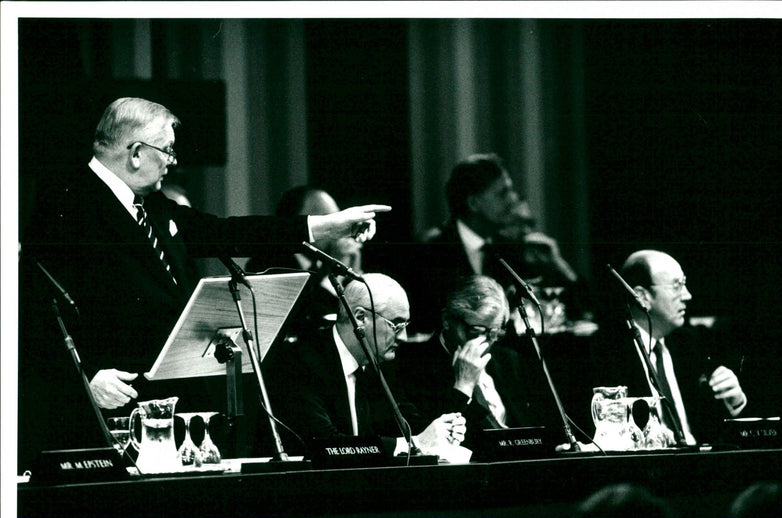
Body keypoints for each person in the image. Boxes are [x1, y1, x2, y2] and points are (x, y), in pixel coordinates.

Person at [18, 97, 390, 467]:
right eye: (167, 150)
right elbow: (34, 307)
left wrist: (326, 226)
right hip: (100, 412)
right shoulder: (66, 202)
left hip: (163, 407)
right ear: (135, 153)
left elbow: (223, 232)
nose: (172, 161)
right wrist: (86, 376)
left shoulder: (150, 204)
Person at [263, 273, 467, 457]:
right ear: (360, 318)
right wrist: (412, 443)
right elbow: (326, 444)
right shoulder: (299, 361)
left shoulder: (380, 363)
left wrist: (442, 428)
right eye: (396, 325)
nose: (403, 337)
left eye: (405, 327)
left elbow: (411, 426)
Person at [407, 152, 585, 334]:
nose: (512, 199)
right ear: (474, 203)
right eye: (503, 193)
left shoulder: (512, 248)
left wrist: (559, 265)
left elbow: (572, 310)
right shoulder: (429, 249)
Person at [587, 250, 749, 447]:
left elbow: (713, 430)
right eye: (677, 285)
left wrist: (734, 401)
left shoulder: (692, 343)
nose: (687, 295)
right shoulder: (602, 353)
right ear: (642, 297)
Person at [395, 275, 564, 455]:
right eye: (474, 331)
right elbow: (429, 446)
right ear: (446, 320)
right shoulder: (414, 365)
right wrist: (463, 386)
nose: (484, 342)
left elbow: (540, 428)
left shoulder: (509, 361)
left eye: (494, 333)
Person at [245, 185, 362, 333]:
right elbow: (304, 320)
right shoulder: (266, 264)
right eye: (326, 219)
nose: (337, 228)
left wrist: (354, 273)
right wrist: (335, 275)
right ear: (297, 222)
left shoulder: (326, 260)